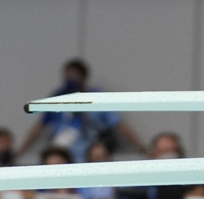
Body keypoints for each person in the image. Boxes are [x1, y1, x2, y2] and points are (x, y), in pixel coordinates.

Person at [19, 59, 149, 162]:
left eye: (75, 76)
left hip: (89, 153)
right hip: (63, 154)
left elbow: (119, 124)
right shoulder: (57, 98)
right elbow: (40, 126)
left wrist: (140, 147)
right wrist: (21, 150)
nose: (71, 80)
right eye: (68, 76)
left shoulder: (96, 98)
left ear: (84, 77)